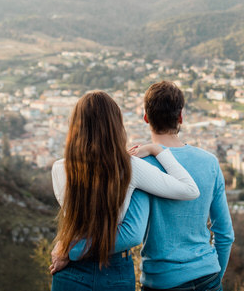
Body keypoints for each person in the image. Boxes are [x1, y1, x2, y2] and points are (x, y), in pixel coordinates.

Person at [49, 90, 200, 291]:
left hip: (70, 270)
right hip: (114, 269)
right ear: (116, 125)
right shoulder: (131, 167)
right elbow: (189, 189)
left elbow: (80, 225)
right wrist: (158, 150)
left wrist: (71, 249)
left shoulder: (59, 168)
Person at [133, 80, 234, 291]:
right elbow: (225, 234)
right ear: (180, 117)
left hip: (162, 280)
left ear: (145, 117)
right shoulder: (209, 163)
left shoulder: (140, 166)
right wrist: (216, 276)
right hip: (208, 276)